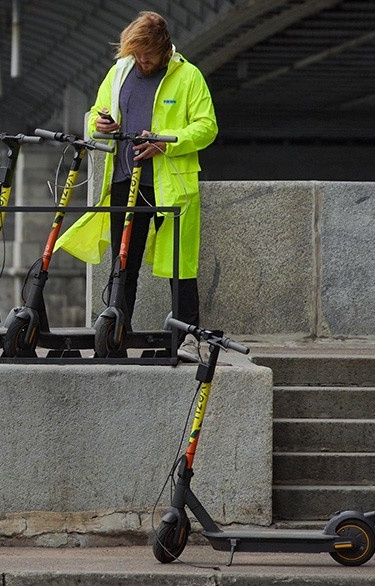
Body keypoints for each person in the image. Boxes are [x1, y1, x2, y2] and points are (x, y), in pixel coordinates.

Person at [88, 11, 218, 360]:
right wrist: (99, 125)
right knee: (123, 261)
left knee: (180, 263)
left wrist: (166, 142)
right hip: (123, 179)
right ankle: (117, 332)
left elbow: (207, 127)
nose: (142, 60)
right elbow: (93, 115)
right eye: (136, 53)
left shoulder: (188, 76)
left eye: (147, 53)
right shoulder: (119, 73)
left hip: (170, 185)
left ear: (163, 48)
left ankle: (189, 337)